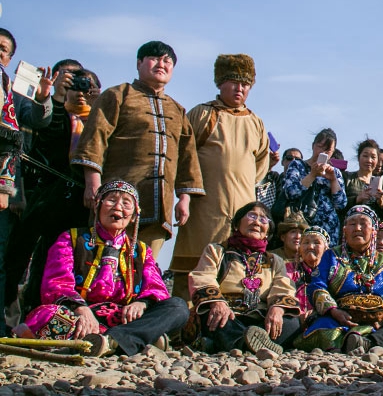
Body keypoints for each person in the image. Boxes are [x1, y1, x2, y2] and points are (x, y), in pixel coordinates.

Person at [14, 180, 189, 356]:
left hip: (123, 318)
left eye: (126, 203)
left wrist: (142, 303)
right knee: (50, 317)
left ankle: (110, 341)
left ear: (134, 215)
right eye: (111, 200)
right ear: (98, 206)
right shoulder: (72, 239)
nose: (118, 207)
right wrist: (81, 309)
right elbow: (56, 283)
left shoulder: (141, 251)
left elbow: (156, 288)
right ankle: (129, 341)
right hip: (77, 314)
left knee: (178, 307)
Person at [71, 41, 204, 256]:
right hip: (115, 203)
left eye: (167, 61)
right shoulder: (117, 95)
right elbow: (95, 138)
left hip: (159, 208)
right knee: (104, 267)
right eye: (155, 58)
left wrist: (185, 200)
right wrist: (92, 182)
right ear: (139, 63)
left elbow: (188, 156)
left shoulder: (178, 109)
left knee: (145, 272)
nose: (162, 64)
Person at [170, 54, 270, 299]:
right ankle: (185, 326)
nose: (239, 89)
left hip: (242, 209)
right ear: (220, 83)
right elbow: (183, 157)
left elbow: (260, 167)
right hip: (204, 208)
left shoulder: (256, 122)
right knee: (194, 269)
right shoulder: (202, 114)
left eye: (245, 84)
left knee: (236, 271)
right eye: (234, 82)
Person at [7, 65, 100, 318]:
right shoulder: (48, 113)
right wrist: (57, 98)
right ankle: (23, 309)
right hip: (44, 196)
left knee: (64, 259)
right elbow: (46, 136)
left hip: (81, 201)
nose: (81, 92)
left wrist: (99, 106)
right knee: (27, 255)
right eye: (74, 86)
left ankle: (57, 313)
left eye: (88, 85)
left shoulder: (101, 120)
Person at [296, 205, 383, 353]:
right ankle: (360, 342)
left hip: (377, 321)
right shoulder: (331, 256)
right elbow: (317, 286)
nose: (357, 228)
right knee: (324, 326)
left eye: (363, 223)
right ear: (345, 230)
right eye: (352, 224)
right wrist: (334, 311)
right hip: (338, 317)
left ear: (373, 231)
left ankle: (368, 343)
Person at [187, 201, 301, 355]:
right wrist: (217, 302)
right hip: (228, 314)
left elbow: (284, 286)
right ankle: (248, 344)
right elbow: (203, 276)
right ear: (236, 224)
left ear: (267, 231)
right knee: (213, 315)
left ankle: (232, 345)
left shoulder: (274, 260)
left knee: (291, 323)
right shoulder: (217, 251)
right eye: (252, 216)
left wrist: (277, 308)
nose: (256, 222)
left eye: (263, 219)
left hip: (259, 317)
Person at [0, 28, 54, 335]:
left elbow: (36, 120)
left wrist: (44, 95)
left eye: (4, 49)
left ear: (10, 58)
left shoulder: (12, 92)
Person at [276, 129, 347, 244]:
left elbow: (341, 204)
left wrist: (333, 180)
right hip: (302, 223)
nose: (322, 152)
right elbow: (291, 192)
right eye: (320, 147)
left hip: (328, 228)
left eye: (328, 150)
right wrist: (312, 174)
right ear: (313, 146)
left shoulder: (335, 172)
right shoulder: (298, 165)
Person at [344, 138, 383, 220]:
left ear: (377, 160)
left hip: (374, 230)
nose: (369, 160)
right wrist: (357, 199)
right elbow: (337, 204)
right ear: (358, 157)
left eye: (373, 157)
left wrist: (381, 203)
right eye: (365, 156)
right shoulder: (347, 178)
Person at [288, 226, 330, 320]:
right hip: (293, 319)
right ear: (299, 249)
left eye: (316, 242)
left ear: (326, 249)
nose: (310, 246)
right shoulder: (288, 269)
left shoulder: (333, 273)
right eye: (306, 242)